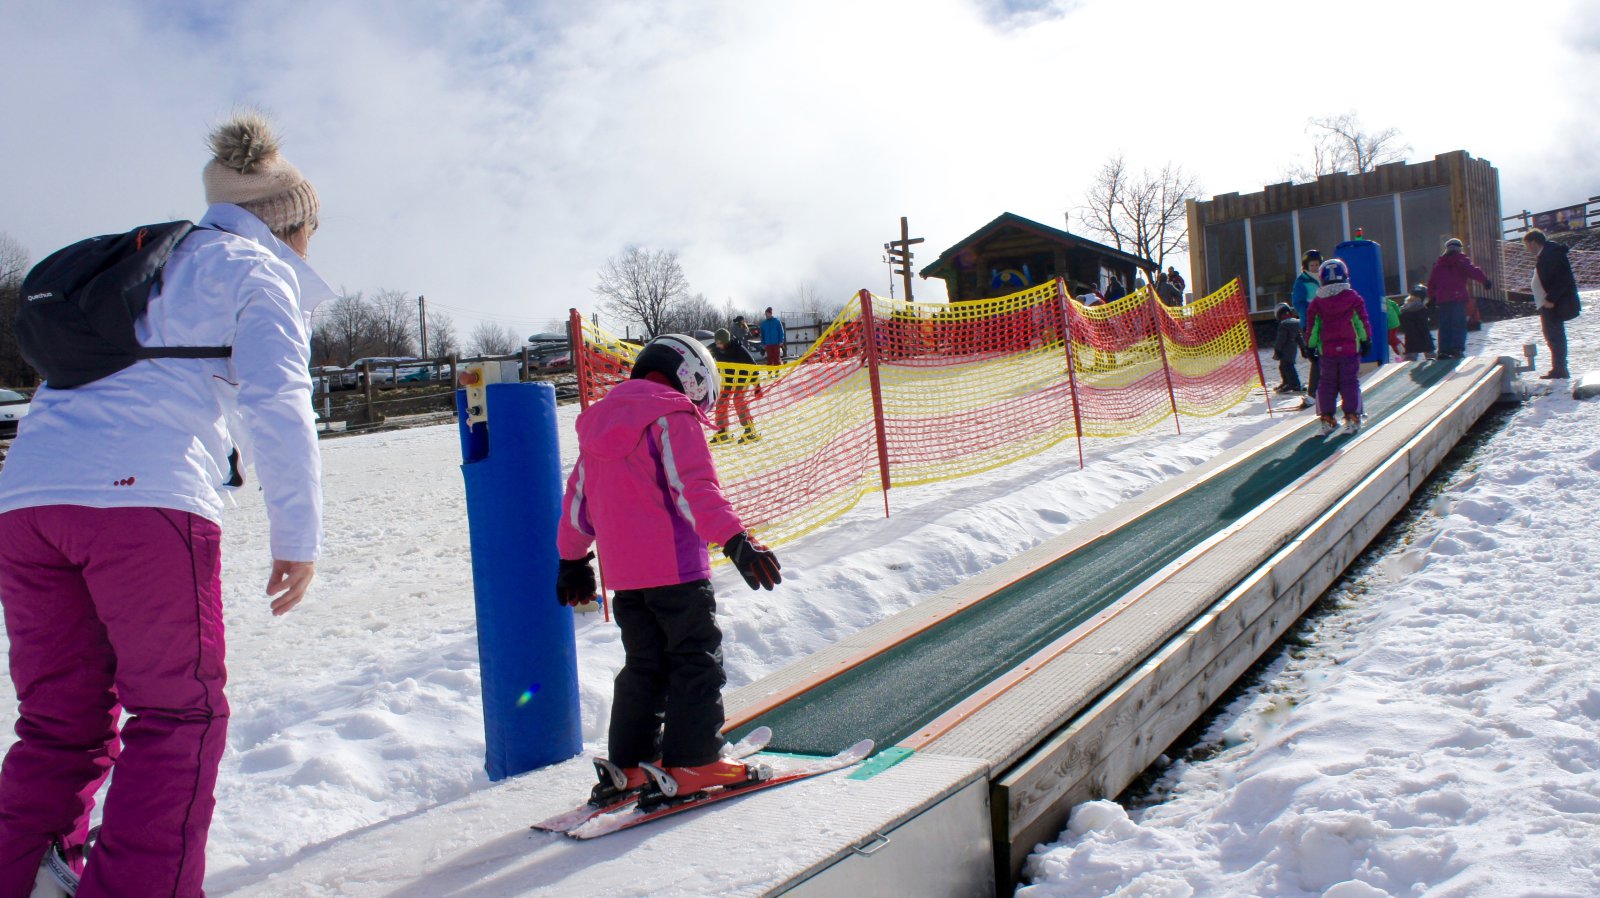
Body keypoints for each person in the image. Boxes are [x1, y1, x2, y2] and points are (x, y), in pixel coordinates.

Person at [0, 112, 329, 897]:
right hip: (143, 505)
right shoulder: (253, 271)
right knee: (179, 716)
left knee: (59, 720)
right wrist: (298, 536)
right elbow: (278, 403)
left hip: (25, 501)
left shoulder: (146, 260)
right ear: (291, 224)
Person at [555, 334, 783, 807]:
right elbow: (693, 489)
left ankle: (632, 764)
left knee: (644, 666)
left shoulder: (598, 427)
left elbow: (578, 503)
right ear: (693, 377)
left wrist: (572, 559)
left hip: (628, 584)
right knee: (695, 661)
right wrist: (737, 540)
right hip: (677, 574)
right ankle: (695, 760)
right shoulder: (672, 417)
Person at [1306, 258, 1372, 435]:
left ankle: (1327, 419)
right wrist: (1366, 340)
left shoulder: (1317, 303)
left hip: (1327, 352)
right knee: (1349, 382)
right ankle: (1352, 417)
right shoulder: (1353, 298)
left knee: (1326, 384)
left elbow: (1313, 328)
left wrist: (1310, 346)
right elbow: (1360, 322)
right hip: (1350, 350)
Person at [1524, 228, 1582, 379]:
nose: (1527, 248)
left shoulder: (1552, 254)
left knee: (1555, 335)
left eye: (1527, 244)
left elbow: (1563, 279)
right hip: (1548, 302)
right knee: (1551, 335)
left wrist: (1550, 299)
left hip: (1554, 303)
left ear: (1534, 242)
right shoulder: (1546, 254)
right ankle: (1558, 367)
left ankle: (1560, 369)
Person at [1426, 237, 1491, 359]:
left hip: (1443, 299)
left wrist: (1431, 298)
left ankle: (1443, 351)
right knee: (1458, 323)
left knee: (1445, 324)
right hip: (1458, 297)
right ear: (1459, 249)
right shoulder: (1461, 260)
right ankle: (1457, 349)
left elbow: (1432, 283)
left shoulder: (1439, 265)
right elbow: (1473, 271)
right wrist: (1485, 281)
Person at [709, 328, 759, 444]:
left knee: (738, 399)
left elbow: (754, 367)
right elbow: (703, 355)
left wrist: (757, 386)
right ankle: (723, 432)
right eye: (717, 343)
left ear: (727, 342)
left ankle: (750, 431)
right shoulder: (714, 348)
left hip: (743, 377)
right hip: (729, 378)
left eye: (721, 343)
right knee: (721, 401)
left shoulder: (739, 349)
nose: (718, 345)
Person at [1292, 249, 1323, 400]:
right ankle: (1313, 390)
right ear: (1306, 266)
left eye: (1317, 264)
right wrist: (1310, 313)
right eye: (1312, 265)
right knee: (1316, 356)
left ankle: (1325, 387)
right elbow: (1298, 302)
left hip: (1325, 322)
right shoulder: (1302, 281)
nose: (1315, 268)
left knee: (1326, 355)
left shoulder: (1324, 278)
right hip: (1310, 323)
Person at [1272, 303, 1305, 393]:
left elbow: (1280, 339)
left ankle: (1294, 384)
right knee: (1284, 366)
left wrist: (1277, 349)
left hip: (1285, 349)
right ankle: (1287, 382)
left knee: (1287, 367)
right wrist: (1303, 348)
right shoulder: (1296, 323)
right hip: (1292, 349)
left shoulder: (1284, 325)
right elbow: (1299, 337)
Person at [1399, 285, 1436, 361]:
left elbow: (1402, 326)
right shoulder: (1422, 310)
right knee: (1432, 359)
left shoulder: (1404, 309)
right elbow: (1424, 327)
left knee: (1410, 361)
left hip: (1411, 342)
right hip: (1424, 339)